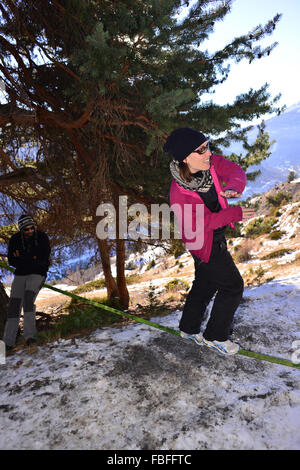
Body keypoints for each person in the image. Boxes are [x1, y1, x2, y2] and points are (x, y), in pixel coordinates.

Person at [164, 128, 256, 356]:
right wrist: (235, 214)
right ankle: (215, 336)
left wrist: (234, 185)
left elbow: (234, 170)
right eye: (201, 150)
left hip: (210, 236)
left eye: (208, 146)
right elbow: (203, 223)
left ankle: (188, 328)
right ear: (185, 157)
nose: (208, 153)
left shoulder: (211, 164)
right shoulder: (179, 193)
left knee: (205, 283)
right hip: (202, 240)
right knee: (232, 286)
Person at [3, 214, 51, 350]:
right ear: (21, 230)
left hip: (38, 273)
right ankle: (8, 342)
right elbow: (12, 260)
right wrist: (32, 257)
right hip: (20, 275)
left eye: (32, 228)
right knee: (14, 306)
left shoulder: (41, 237)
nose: (30, 231)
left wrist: (23, 257)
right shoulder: (15, 240)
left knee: (28, 300)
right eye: (26, 229)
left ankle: (30, 337)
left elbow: (43, 257)